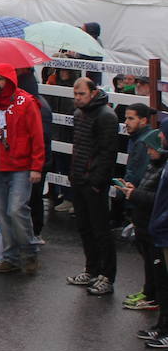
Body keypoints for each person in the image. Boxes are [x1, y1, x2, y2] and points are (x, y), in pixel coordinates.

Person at [0, 62, 45, 276]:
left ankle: (29, 251)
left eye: (0, 79)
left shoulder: (26, 102)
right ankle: (11, 257)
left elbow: (37, 135)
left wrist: (36, 166)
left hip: (20, 166)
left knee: (16, 209)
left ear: (10, 80)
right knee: (3, 213)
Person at [66, 76, 119, 295]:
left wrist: (96, 182)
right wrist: (74, 175)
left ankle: (107, 276)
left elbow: (108, 153)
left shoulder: (106, 116)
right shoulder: (80, 114)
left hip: (94, 183)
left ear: (93, 93)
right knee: (84, 228)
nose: (78, 99)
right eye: (75, 94)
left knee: (101, 230)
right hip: (79, 179)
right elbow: (78, 147)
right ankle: (92, 269)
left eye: (82, 94)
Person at [121, 106, 162, 312]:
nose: (126, 122)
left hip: (149, 216)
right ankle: (148, 291)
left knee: (153, 259)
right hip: (141, 211)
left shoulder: (157, 163)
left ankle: (153, 296)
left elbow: (155, 196)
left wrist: (133, 193)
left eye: (131, 118)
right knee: (147, 256)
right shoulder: (144, 149)